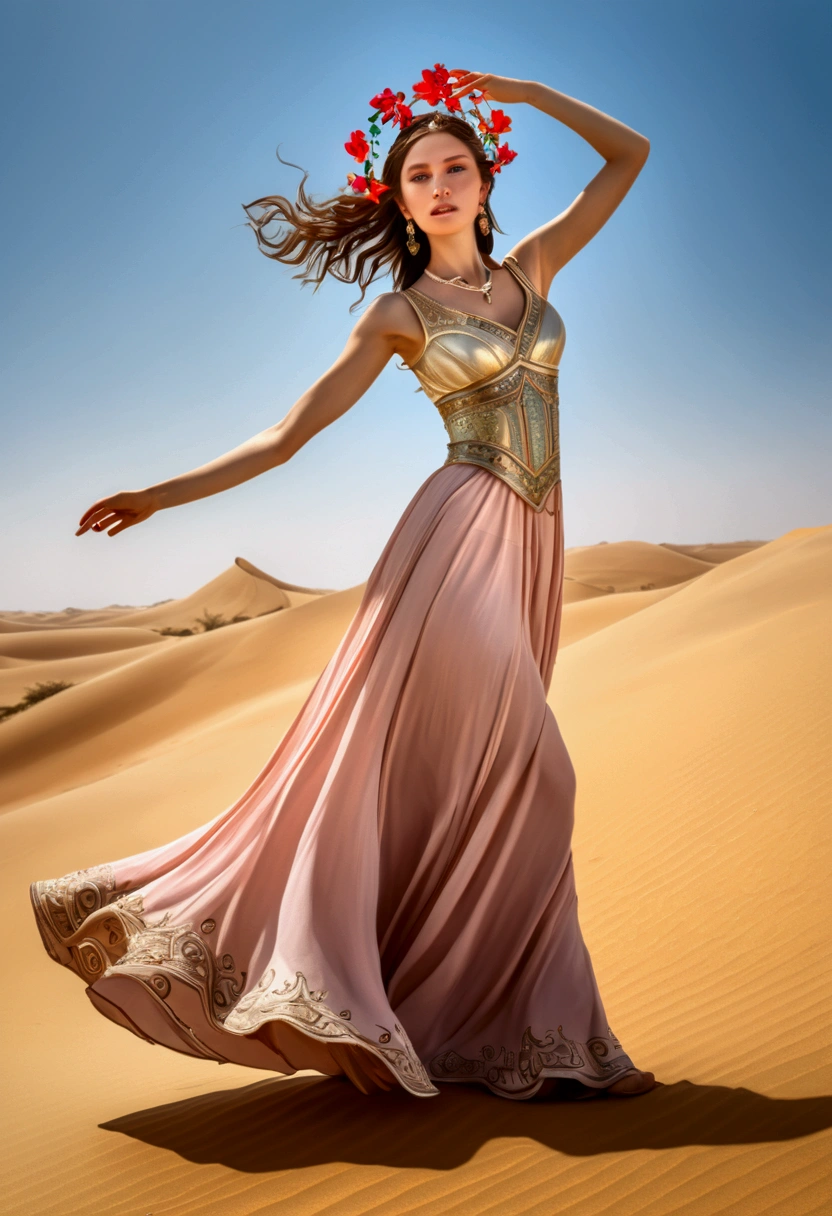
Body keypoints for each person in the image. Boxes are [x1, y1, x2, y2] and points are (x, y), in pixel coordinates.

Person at [31, 70, 657, 1102]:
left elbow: (627, 154)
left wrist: (516, 87)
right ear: (399, 200)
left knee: (488, 789)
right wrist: (161, 492)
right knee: (541, 776)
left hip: (531, 542)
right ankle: (548, 1038)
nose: (441, 183)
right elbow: (288, 437)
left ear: (484, 180)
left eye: (457, 165)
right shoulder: (398, 312)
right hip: (453, 546)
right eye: (420, 173)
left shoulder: (536, 266)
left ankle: (507, 1039)